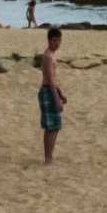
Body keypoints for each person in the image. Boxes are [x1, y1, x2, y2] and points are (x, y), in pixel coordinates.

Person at [38, 25, 69, 164]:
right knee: (54, 126)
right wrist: (57, 99)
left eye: (59, 40)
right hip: (48, 91)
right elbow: (50, 80)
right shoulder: (48, 56)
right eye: (55, 40)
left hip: (50, 90)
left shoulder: (51, 55)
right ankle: (49, 158)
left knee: (50, 127)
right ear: (49, 40)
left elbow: (53, 79)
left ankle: (48, 157)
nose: (57, 43)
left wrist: (61, 93)